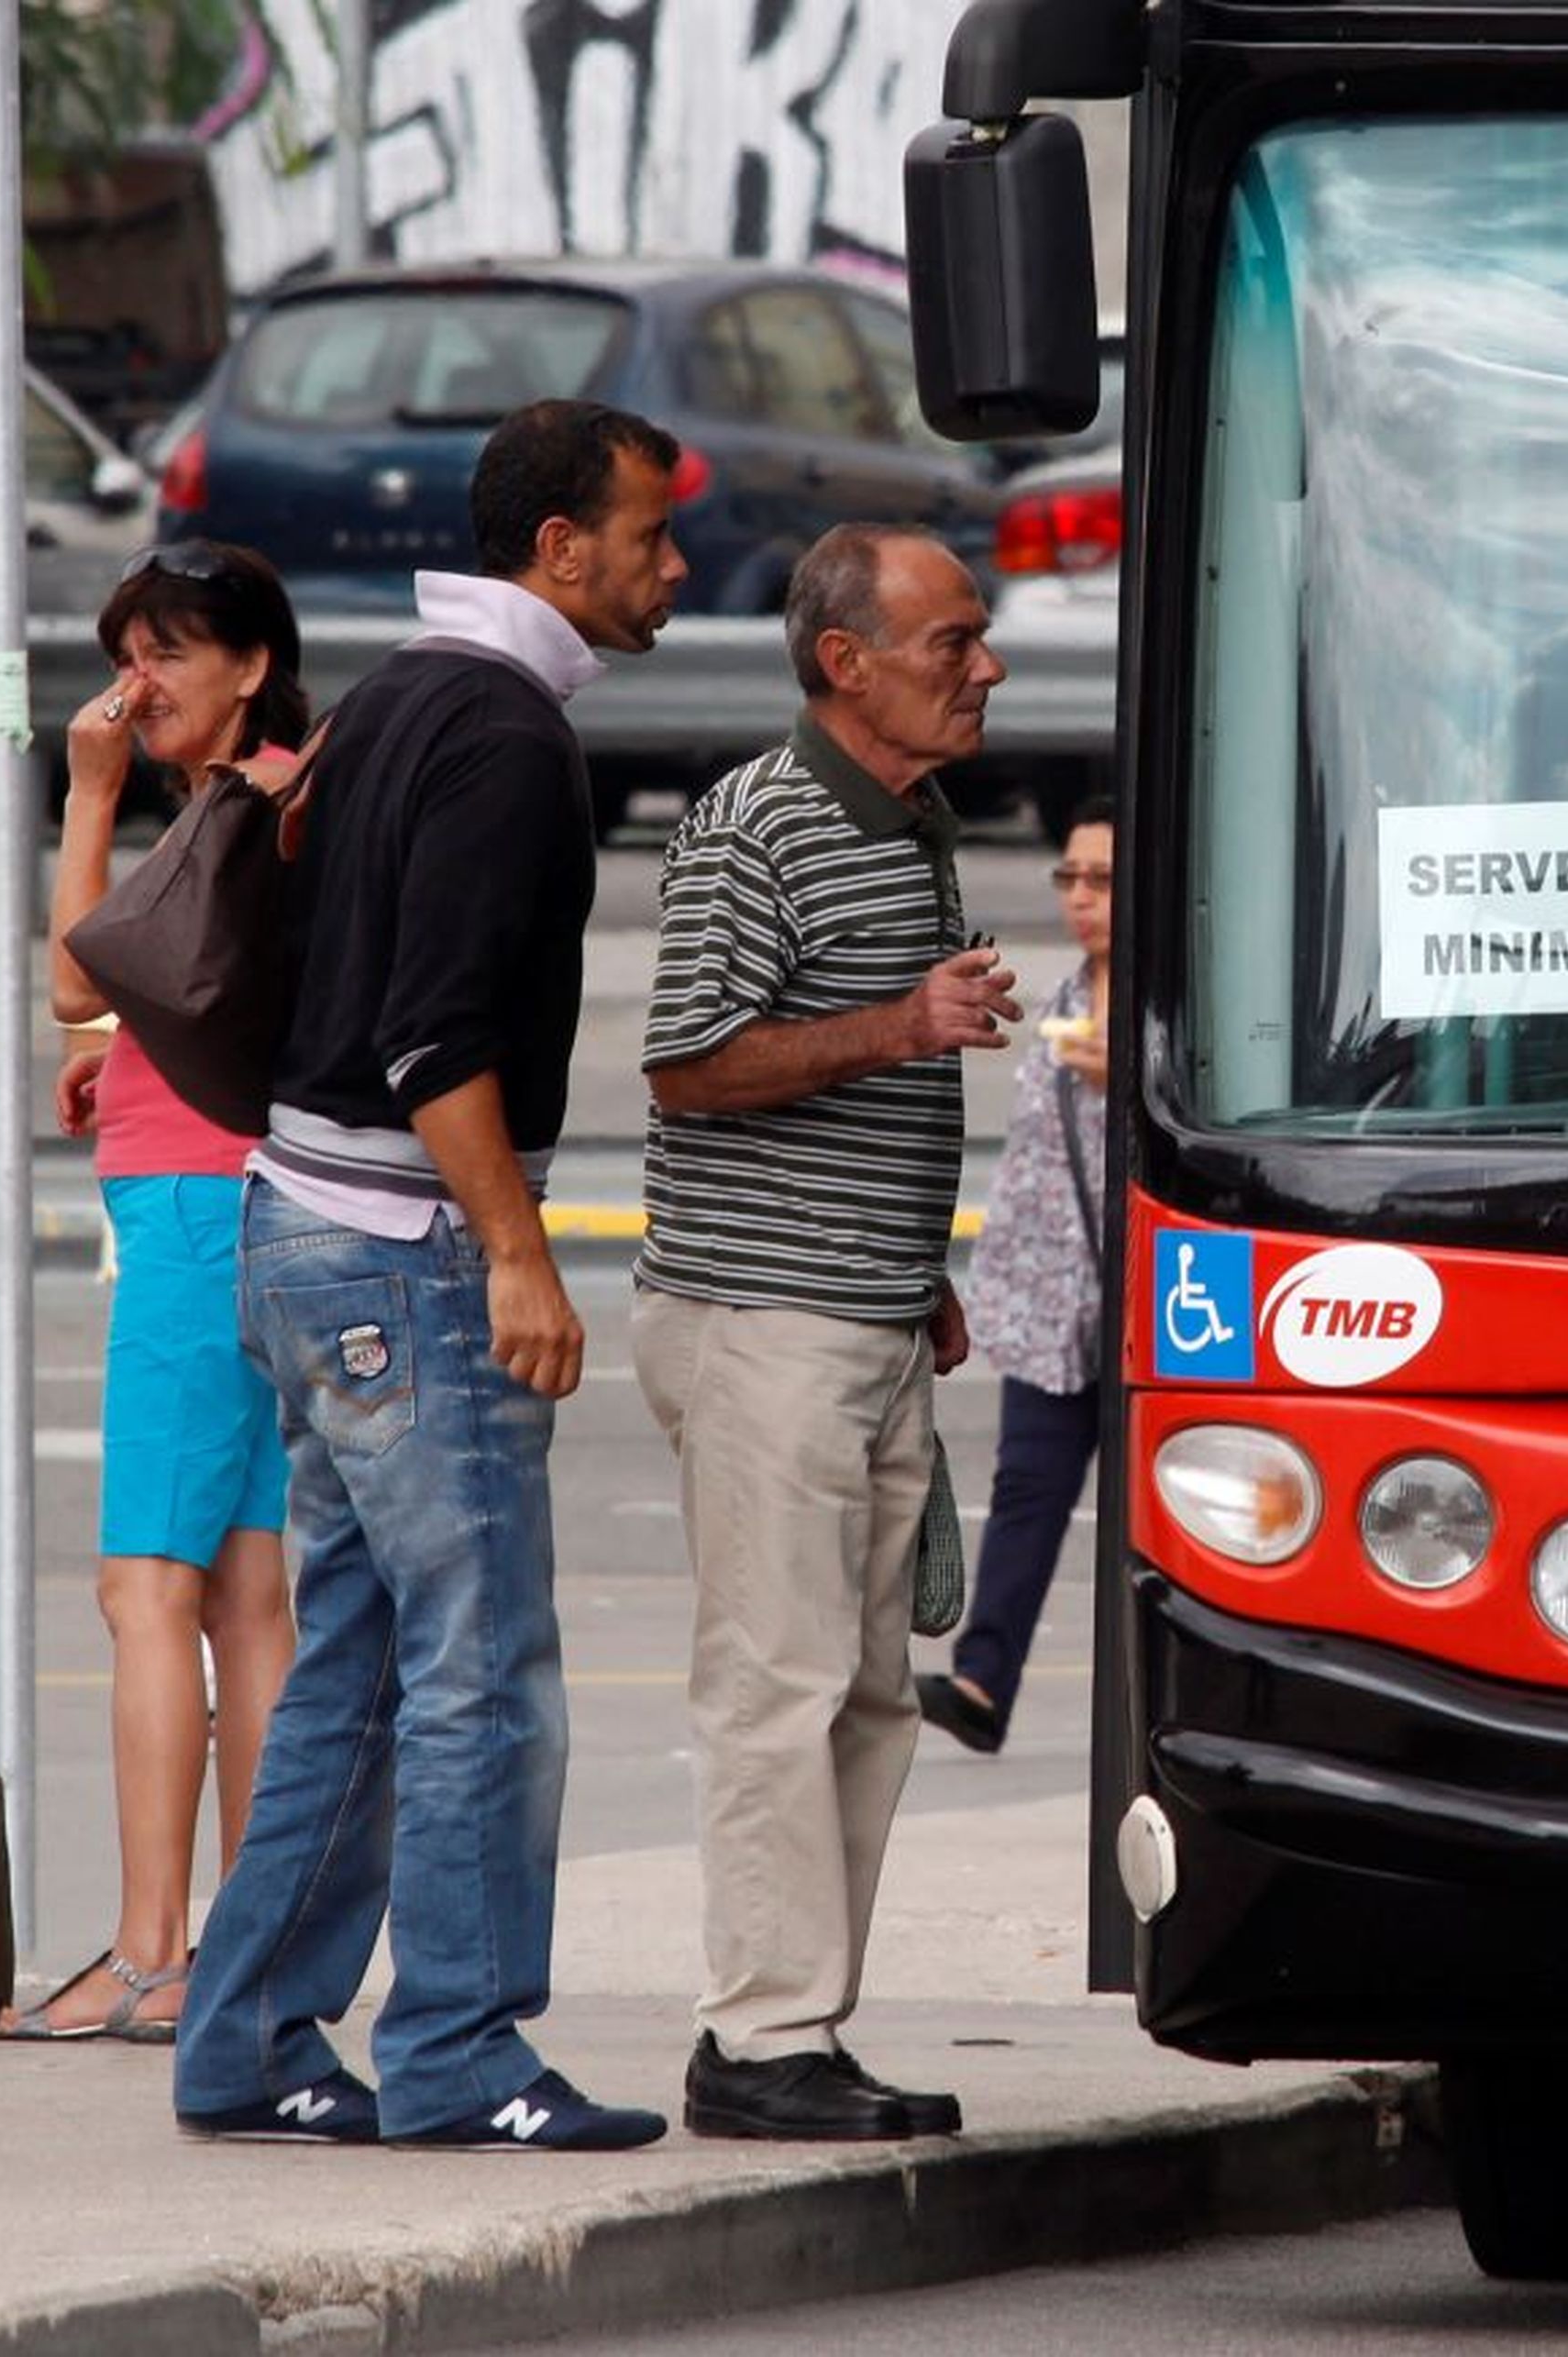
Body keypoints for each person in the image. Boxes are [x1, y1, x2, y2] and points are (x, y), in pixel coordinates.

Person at [172, 399, 687, 2153]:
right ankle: (464, 2049)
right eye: (647, 535)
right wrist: (520, 1258)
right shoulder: (504, 735)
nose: (671, 567)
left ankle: (247, 2035)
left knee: (362, 1661)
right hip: (405, 1246)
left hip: (300, 1228)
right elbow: (436, 1035)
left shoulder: (400, 690)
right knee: (483, 1667)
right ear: (558, 547)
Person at [634, 523, 1018, 2141]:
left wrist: (913, 1264)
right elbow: (688, 1064)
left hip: (854, 1312)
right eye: (952, 643)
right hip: (762, 1323)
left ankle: (799, 2024)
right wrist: (905, 1024)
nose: (985, 666)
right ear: (845, 662)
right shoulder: (754, 823)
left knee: (866, 1695)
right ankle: (761, 2034)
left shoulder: (904, 821)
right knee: (780, 1688)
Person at [2, 542, 306, 2042]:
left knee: (147, 1591)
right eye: (132, 650)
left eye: (174, 652)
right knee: (249, 1593)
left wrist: (88, 793)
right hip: (251, 1191)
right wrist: (122, 1059)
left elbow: (76, 972)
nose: (143, 682)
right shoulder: (276, 805)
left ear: (251, 665)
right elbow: (167, 1006)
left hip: (193, 1215)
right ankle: (241, 1951)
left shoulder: (242, 805)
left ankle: (149, 1952)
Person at [919, 800, 1114, 1754]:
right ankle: (981, 1679)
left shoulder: (1180, 1009)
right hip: (1048, 1301)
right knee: (1028, 1486)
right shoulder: (1072, 996)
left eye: (1104, 880)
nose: (1081, 898)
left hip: (1148, 1310)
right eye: (1070, 878)